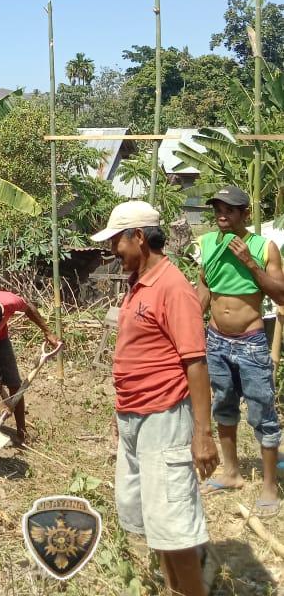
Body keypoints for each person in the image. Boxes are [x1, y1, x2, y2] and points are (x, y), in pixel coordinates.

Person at [91, 200, 218, 596]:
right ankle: (173, 589)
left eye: (118, 241)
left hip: (163, 417)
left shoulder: (172, 287)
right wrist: (122, 413)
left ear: (140, 238)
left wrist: (203, 433)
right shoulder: (138, 285)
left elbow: (195, 362)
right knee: (155, 521)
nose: (113, 251)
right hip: (136, 418)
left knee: (174, 528)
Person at [195, 186, 284, 517]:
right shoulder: (207, 244)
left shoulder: (264, 247)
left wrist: (249, 262)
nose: (222, 214)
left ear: (245, 213)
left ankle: (269, 486)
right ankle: (231, 473)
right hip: (216, 340)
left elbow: (280, 293)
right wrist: (190, 330)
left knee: (263, 412)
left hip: (250, 342)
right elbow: (203, 291)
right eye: (218, 208)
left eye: (230, 209)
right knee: (223, 406)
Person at [0, 290, 60, 443]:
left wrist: (47, 332)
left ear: (1, 320)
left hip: (1, 341)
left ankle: (22, 431)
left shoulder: (11, 302)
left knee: (14, 383)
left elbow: (29, 309)